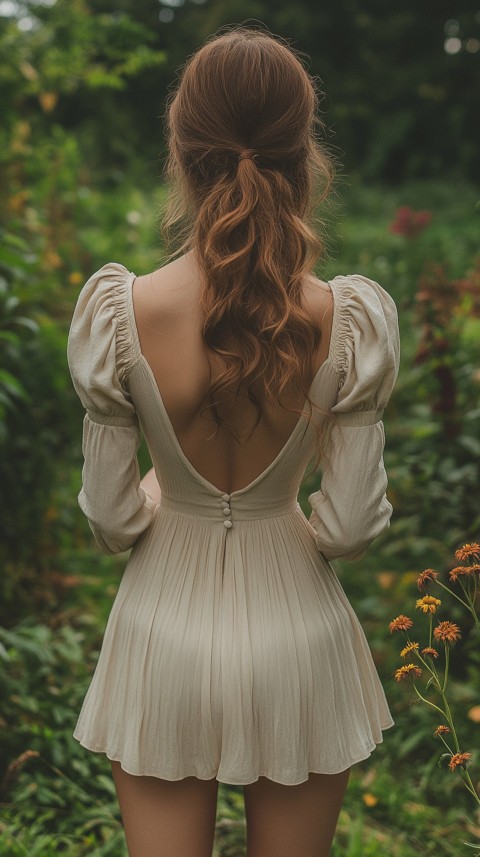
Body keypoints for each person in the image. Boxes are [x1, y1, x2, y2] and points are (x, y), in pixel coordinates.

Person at [67, 25, 400, 857]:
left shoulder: (122, 311)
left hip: (162, 633)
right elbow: (352, 527)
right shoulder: (349, 320)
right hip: (297, 633)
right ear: (304, 154)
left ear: (182, 149)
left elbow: (111, 518)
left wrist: (157, 492)